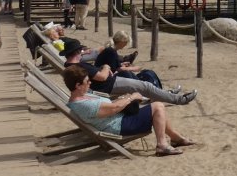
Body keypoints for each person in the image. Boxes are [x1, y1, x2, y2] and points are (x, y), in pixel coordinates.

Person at [62, 64, 194, 157]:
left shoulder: (84, 96)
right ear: (78, 85)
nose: (90, 83)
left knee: (155, 107)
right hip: (118, 126)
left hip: (118, 119)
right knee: (158, 106)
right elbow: (113, 109)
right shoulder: (83, 104)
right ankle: (162, 145)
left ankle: (176, 138)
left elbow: (110, 106)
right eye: (87, 82)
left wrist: (123, 99)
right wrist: (131, 97)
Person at [59, 37, 195, 105]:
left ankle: (168, 94)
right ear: (77, 52)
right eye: (81, 50)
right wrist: (106, 68)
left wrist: (102, 69)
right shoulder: (79, 66)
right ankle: (179, 99)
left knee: (144, 87)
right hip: (108, 86)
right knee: (145, 86)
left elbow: (95, 75)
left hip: (107, 84)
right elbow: (101, 77)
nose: (83, 52)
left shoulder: (72, 65)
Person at [94, 31, 164, 86]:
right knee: (126, 73)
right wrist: (134, 68)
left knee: (130, 73)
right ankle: (141, 87)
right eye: (126, 42)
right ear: (122, 42)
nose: (126, 44)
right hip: (104, 78)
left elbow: (112, 65)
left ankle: (142, 85)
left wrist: (121, 64)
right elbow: (118, 69)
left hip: (106, 74)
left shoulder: (111, 50)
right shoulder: (111, 51)